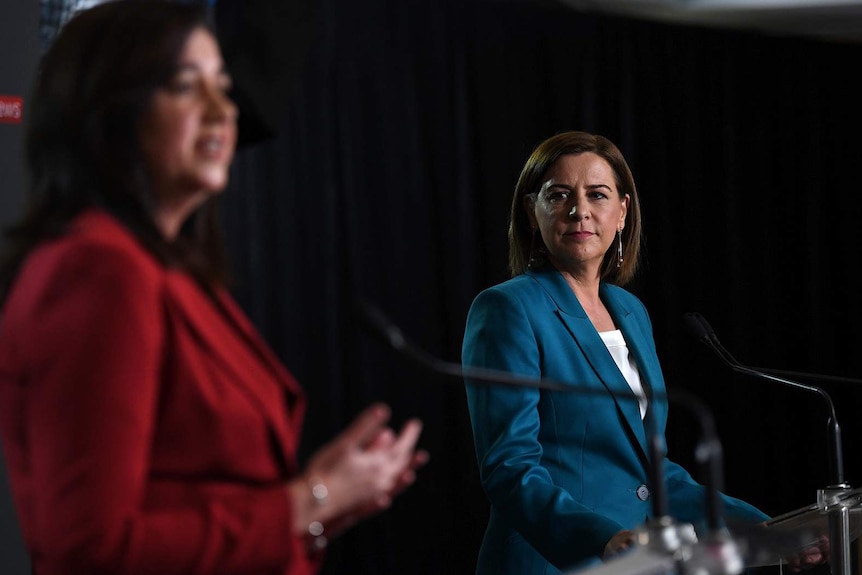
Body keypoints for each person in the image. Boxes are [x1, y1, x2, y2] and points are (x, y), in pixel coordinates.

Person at [0, 2, 427, 574]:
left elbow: (206, 497)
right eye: (185, 86)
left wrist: (326, 498)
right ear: (108, 111)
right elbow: (90, 548)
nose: (222, 111)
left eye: (222, 86)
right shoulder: (97, 270)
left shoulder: (167, 271)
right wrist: (307, 501)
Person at [461, 130, 826, 574]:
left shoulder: (630, 311)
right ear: (532, 212)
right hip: (550, 562)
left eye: (598, 194)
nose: (580, 210)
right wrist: (602, 537)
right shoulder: (509, 308)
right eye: (559, 195)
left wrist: (762, 529)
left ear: (622, 213)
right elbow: (510, 468)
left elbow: (654, 477)